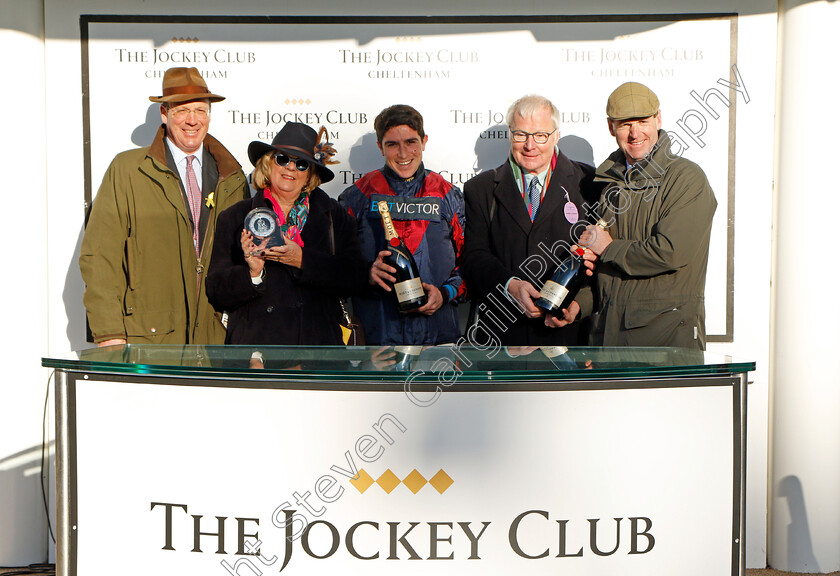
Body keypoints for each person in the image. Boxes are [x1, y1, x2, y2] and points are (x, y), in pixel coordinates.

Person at [79, 67, 248, 346]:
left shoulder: (232, 177)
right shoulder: (128, 170)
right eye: (182, 110)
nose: (192, 120)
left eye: (200, 110)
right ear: (164, 114)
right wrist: (109, 334)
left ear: (209, 115)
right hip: (147, 342)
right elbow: (100, 257)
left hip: (215, 344)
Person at [580, 82, 717, 349]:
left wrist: (608, 247)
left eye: (642, 121)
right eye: (624, 124)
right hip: (609, 340)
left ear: (658, 119)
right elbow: (607, 269)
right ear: (611, 128)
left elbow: (671, 251)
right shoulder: (610, 184)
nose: (635, 133)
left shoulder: (686, 178)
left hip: (665, 344)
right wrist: (580, 306)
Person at [206, 122, 367, 345]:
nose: (291, 168)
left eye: (302, 164)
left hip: (317, 351)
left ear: (310, 173)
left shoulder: (333, 216)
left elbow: (355, 278)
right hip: (257, 354)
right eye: (283, 159)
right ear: (268, 163)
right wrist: (252, 273)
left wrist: (303, 260)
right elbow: (217, 291)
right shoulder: (235, 217)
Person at [462, 94, 595, 346]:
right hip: (501, 338)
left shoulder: (588, 184)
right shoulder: (480, 189)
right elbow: (474, 256)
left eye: (540, 136)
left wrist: (578, 306)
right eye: (521, 135)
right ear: (510, 135)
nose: (530, 145)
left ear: (556, 136)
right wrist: (510, 285)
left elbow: (600, 263)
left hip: (567, 336)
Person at [339, 104, 466, 345]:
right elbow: (336, 269)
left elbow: (471, 264)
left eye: (411, 142)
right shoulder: (357, 197)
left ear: (424, 141)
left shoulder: (448, 195)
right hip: (377, 342)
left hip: (438, 340)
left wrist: (445, 293)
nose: (403, 153)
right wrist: (365, 274)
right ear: (380, 147)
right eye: (392, 145)